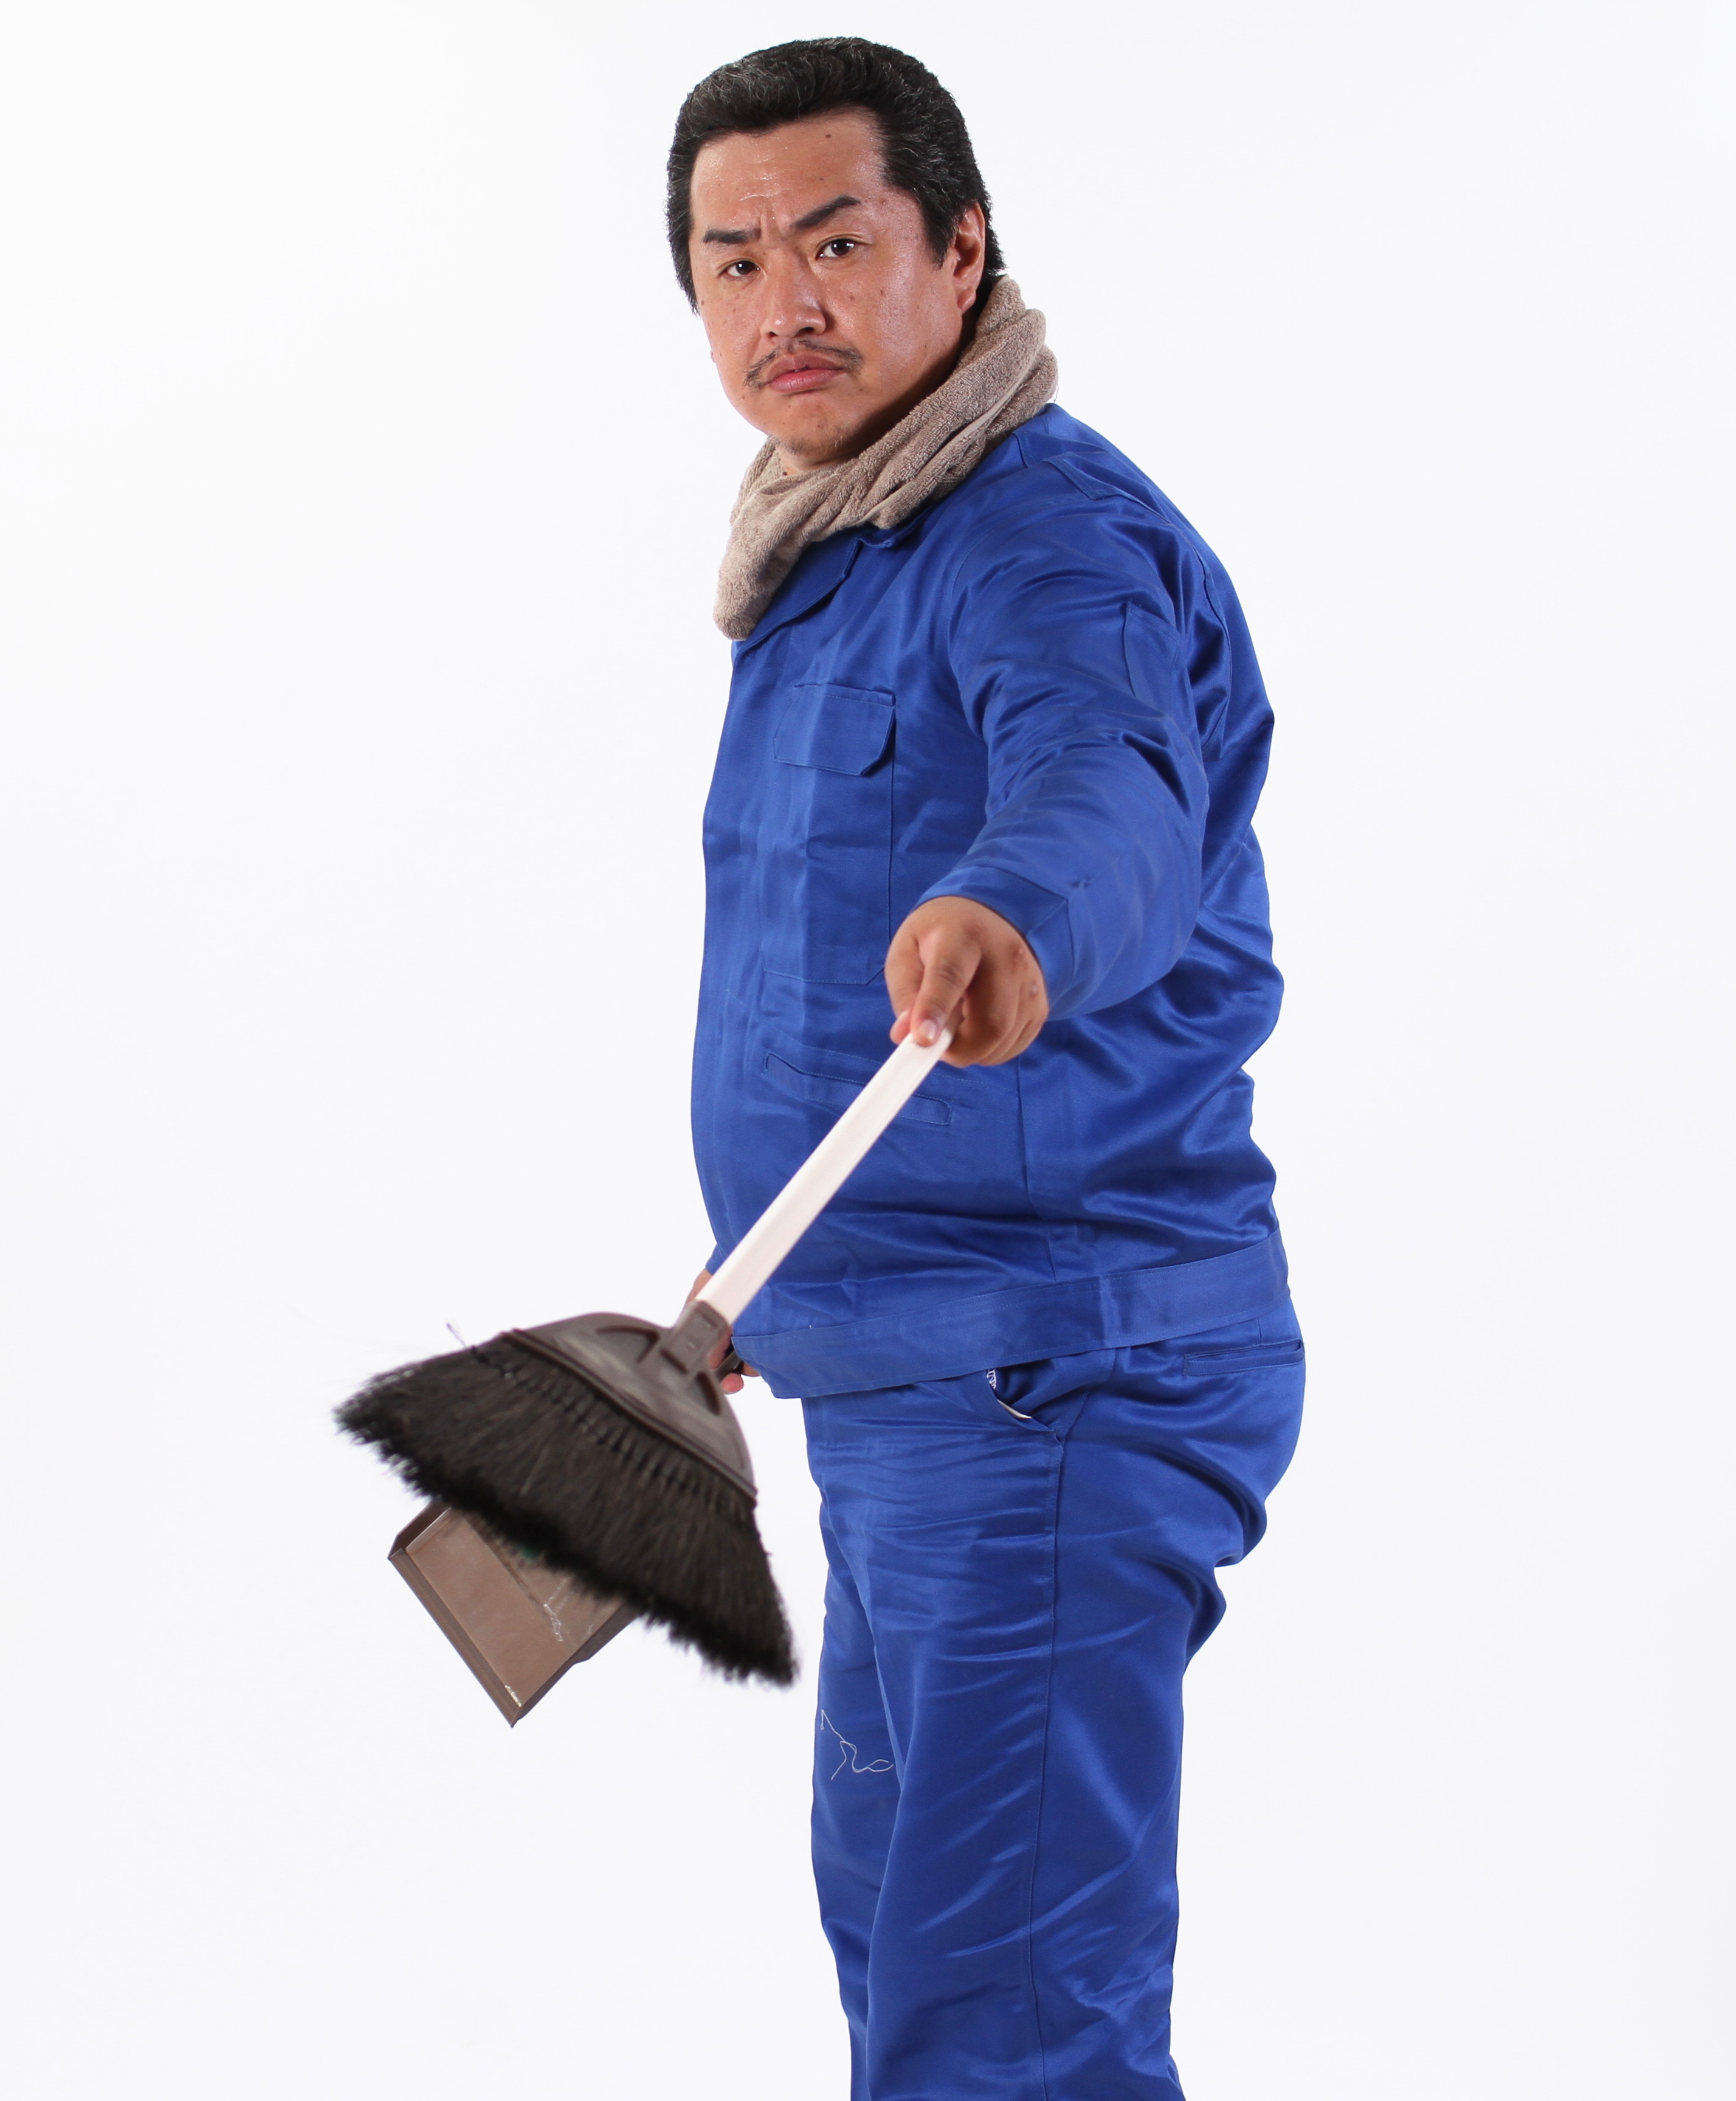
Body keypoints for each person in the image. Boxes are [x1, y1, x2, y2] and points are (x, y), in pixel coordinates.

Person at [669, 40, 1304, 2101]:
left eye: (834, 242)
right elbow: (819, 1012)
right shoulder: (836, 559)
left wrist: (1014, 912)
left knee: (1006, 2021)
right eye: (732, 261)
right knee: (919, 1961)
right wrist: (775, 1275)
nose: (784, 302)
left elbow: (1102, 780)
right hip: (913, 1370)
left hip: (1058, 1376)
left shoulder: (1043, 538)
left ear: (959, 252)